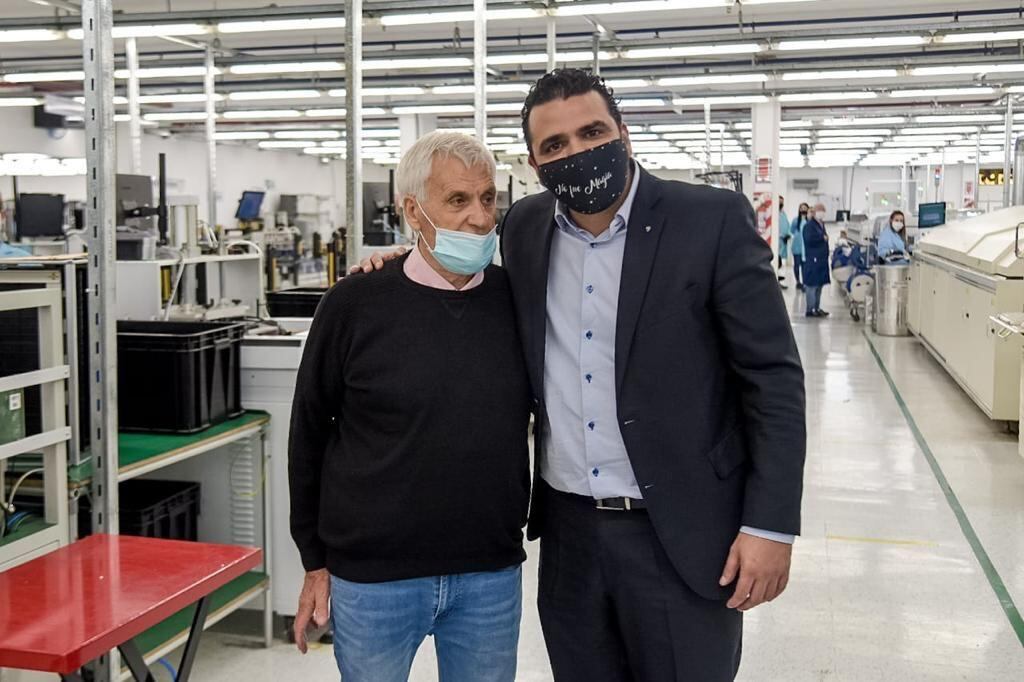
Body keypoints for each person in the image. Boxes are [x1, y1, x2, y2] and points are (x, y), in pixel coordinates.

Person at [357, 69, 806, 682]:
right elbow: (449, 267)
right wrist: (393, 265)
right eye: (555, 146)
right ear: (537, 163)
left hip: (682, 529)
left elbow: (772, 381)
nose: (577, 153)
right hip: (570, 537)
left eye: (591, 132)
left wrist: (769, 524)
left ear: (623, 132)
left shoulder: (709, 220)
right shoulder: (524, 228)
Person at [289, 131, 531, 682]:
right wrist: (314, 560)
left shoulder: (514, 300)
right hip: (373, 579)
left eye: (488, 198)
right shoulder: (353, 304)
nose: (478, 218)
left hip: (488, 574)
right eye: (457, 200)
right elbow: (308, 434)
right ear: (412, 211)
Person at [801, 206, 831, 318]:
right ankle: (810, 309)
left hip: (821, 259)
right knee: (812, 285)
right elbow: (809, 240)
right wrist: (822, 238)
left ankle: (816, 308)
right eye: (820, 211)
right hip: (813, 259)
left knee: (819, 285)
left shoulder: (821, 225)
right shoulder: (809, 226)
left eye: (823, 211)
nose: (822, 213)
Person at [790, 203, 808, 291]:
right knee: (797, 265)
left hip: (806, 249)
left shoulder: (809, 221)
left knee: (805, 267)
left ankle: (805, 284)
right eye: (801, 208)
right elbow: (792, 231)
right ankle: (798, 282)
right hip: (797, 248)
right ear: (799, 210)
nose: (803, 210)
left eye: (805, 208)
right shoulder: (795, 220)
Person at [777, 195, 791, 289]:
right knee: (776, 262)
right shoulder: (774, 214)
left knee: (779, 263)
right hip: (777, 242)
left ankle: (777, 282)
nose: (781, 204)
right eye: (779, 202)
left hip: (783, 242)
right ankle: (775, 283)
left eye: (782, 202)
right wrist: (782, 235)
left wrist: (788, 234)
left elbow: (787, 225)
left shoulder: (783, 213)